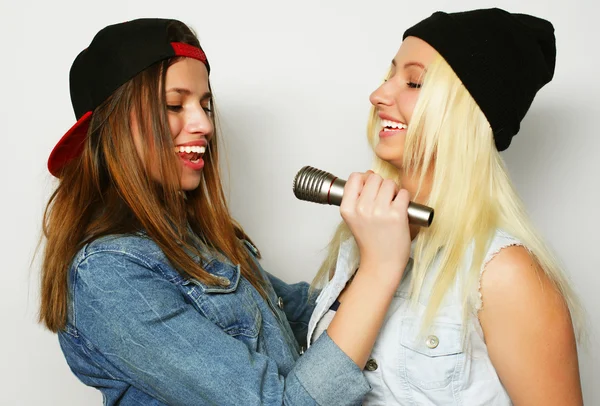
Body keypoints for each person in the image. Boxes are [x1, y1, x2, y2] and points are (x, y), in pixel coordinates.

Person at [39, 18, 413, 405]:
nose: (203, 124)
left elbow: (302, 314)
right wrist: (378, 269)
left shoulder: (195, 242)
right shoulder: (109, 273)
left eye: (205, 104)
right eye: (173, 105)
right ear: (112, 126)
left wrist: (409, 254)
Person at [308, 8, 584, 406]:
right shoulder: (361, 245)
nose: (379, 94)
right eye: (389, 76)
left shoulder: (504, 275)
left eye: (414, 82)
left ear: (468, 114)